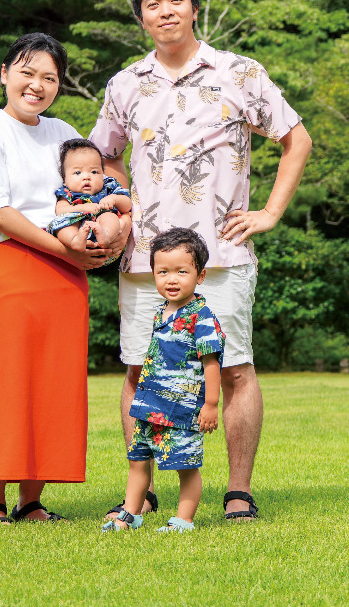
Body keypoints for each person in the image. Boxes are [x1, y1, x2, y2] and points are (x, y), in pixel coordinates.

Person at [90, 0, 311, 522]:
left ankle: (238, 491)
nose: (165, 10)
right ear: (141, 17)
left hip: (223, 250)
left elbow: (296, 138)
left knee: (234, 367)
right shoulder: (125, 84)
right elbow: (105, 154)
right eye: (152, 4)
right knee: (140, 368)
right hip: (145, 256)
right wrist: (122, 206)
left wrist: (269, 212)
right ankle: (144, 489)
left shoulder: (239, 72)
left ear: (192, 5)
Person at [0, 32, 127, 523]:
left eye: (49, 77)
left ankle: (31, 499)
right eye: (27, 73)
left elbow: (97, 185)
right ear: (5, 73)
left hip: (64, 269)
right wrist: (65, 250)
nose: (37, 85)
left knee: (54, 382)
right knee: (10, 380)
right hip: (10, 261)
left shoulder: (63, 133)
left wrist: (109, 235)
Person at [103, 228, 223, 534]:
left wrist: (210, 404)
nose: (172, 279)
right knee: (139, 460)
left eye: (182, 271)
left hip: (181, 410)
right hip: (149, 405)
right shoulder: (160, 312)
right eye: (163, 272)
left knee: (186, 465)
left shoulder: (202, 317)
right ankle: (131, 514)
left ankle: (183, 520)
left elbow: (211, 363)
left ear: (201, 275)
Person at [46, 138, 134, 253]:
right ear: (65, 178)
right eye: (77, 173)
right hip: (79, 232)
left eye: (94, 172)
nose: (86, 177)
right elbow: (60, 211)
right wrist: (82, 208)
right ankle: (74, 240)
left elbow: (127, 205)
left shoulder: (108, 187)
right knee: (62, 223)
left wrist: (114, 199)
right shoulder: (66, 192)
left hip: (104, 233)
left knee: (110, 216)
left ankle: (106, 236)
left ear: (103, 173)